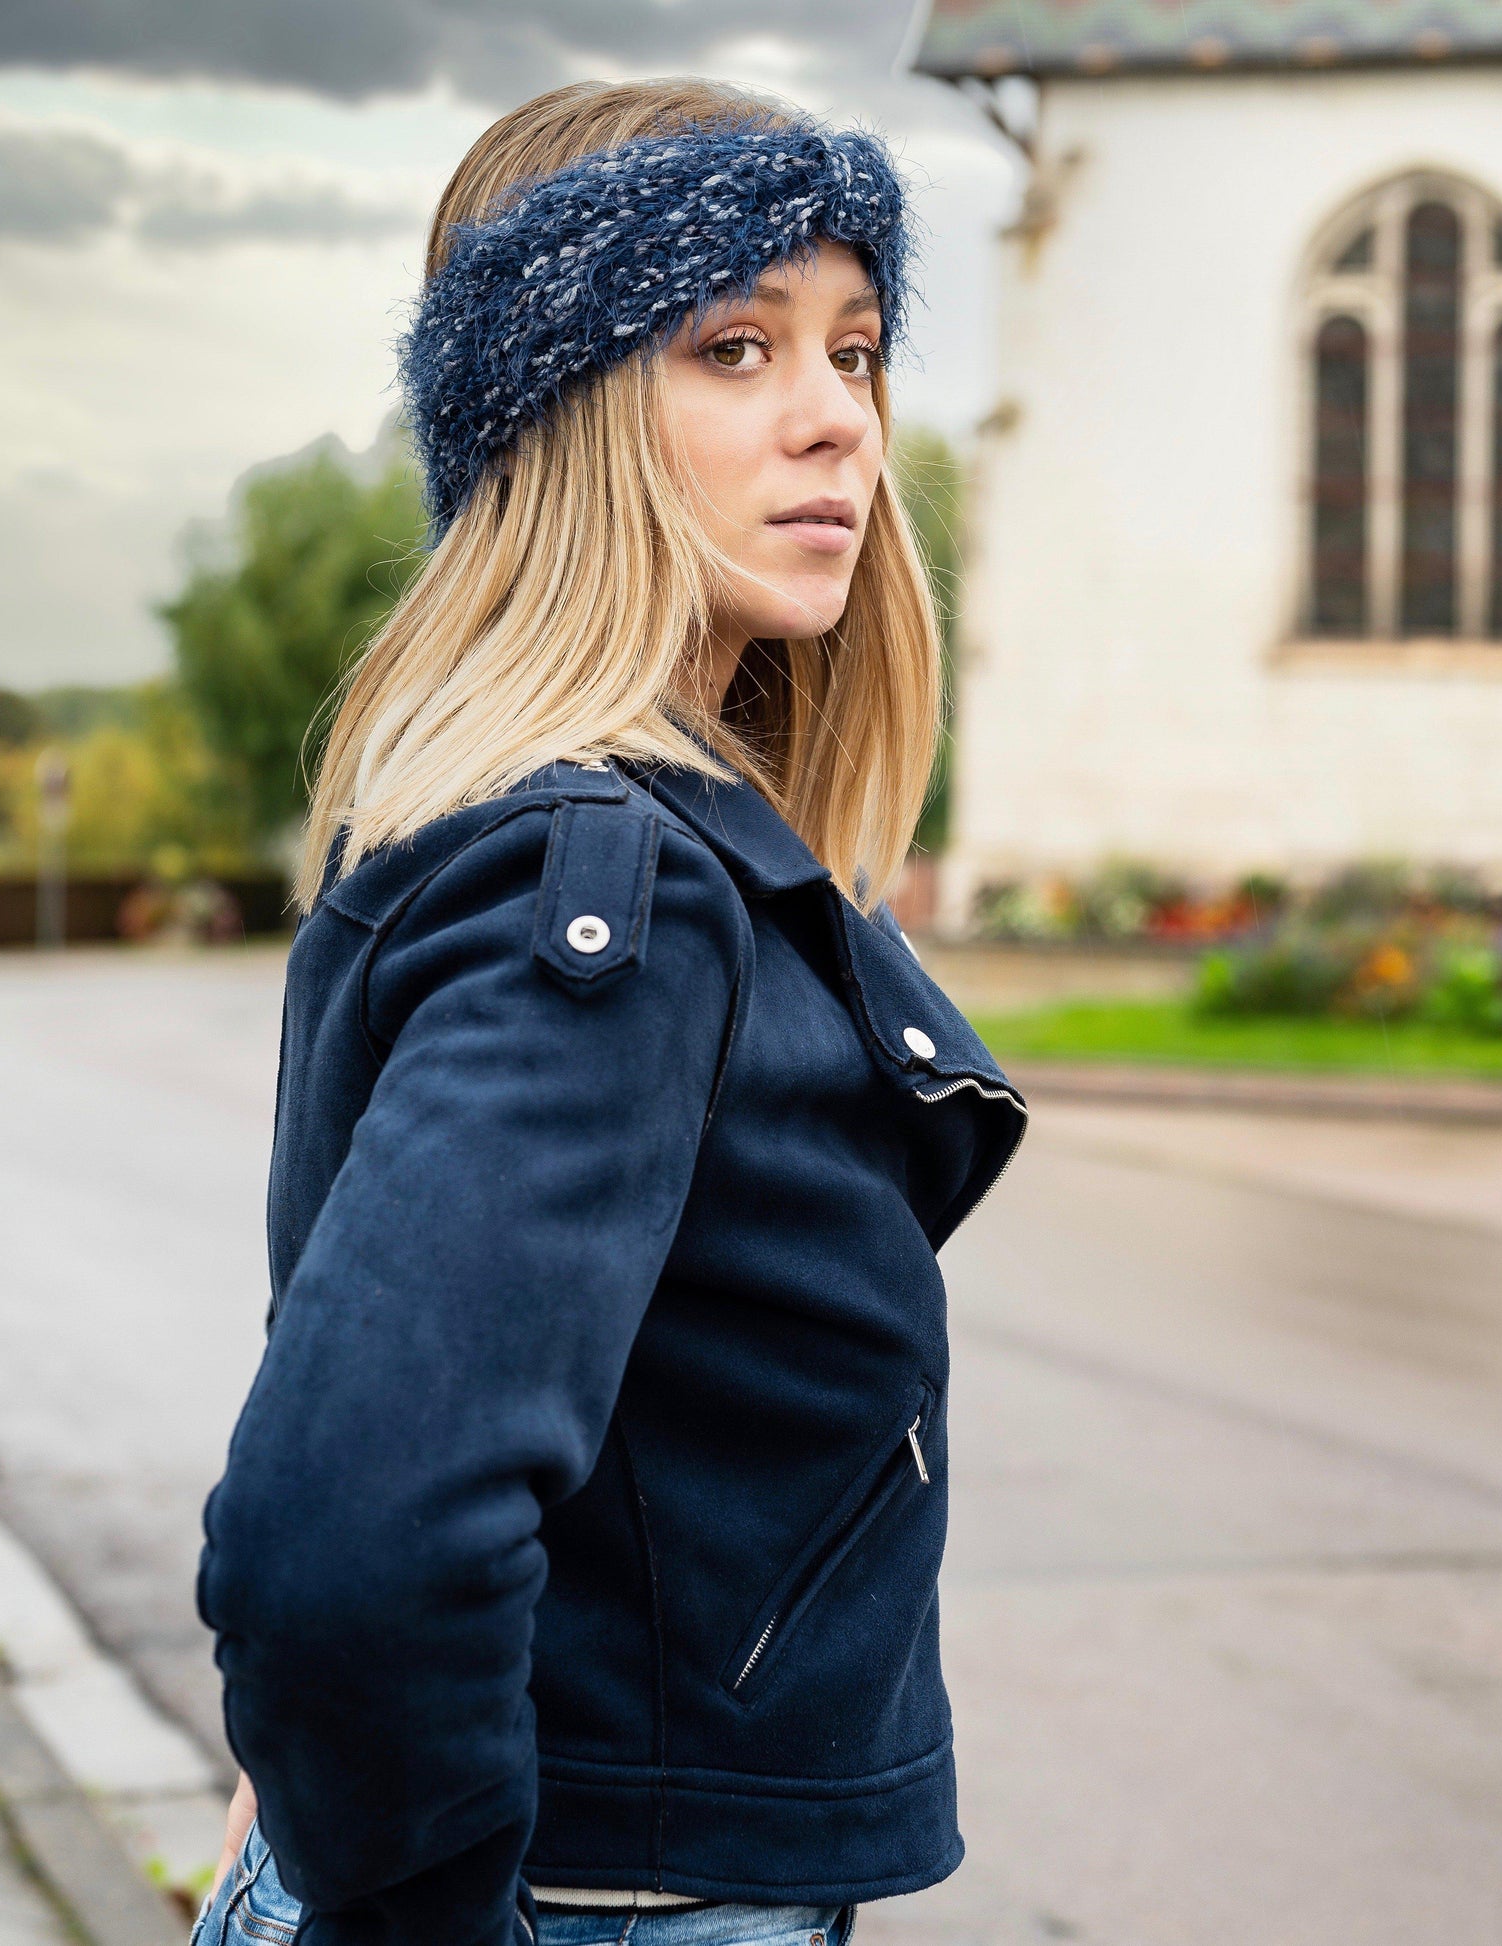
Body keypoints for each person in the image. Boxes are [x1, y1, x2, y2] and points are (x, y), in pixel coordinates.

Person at [191, 75, 1027, 1946]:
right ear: (550, 416)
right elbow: (347, 1546)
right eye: (733, 346)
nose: (839, 419)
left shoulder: (584, 835)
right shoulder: (607, 886)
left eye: (857, 347)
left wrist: (324, 1812)